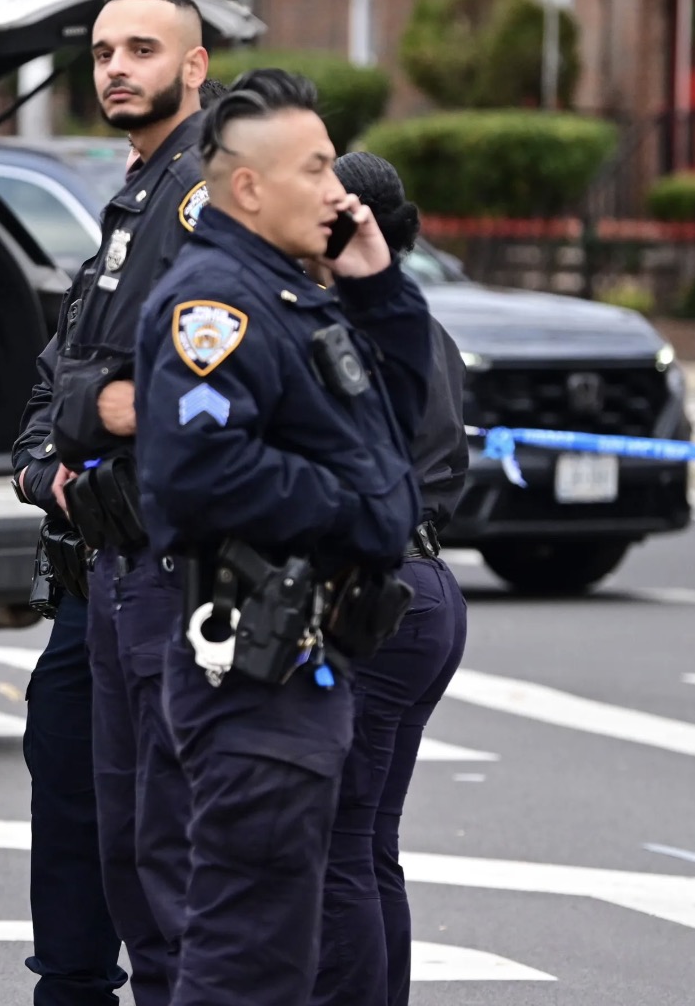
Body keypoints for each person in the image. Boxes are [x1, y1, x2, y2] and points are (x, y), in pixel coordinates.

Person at [133, 69, 431, 1006]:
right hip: (255, 669)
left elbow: (398, 425)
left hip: (308, 666)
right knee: (247, 955)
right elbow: (199, 468)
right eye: (314, 168)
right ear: (250, 187)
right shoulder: (215, 306)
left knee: (279, 946)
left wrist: (378, 287)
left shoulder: (294, 294)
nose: (338, 190)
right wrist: (358, 507)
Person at [11, 0, 211, 1006]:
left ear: (195, 65)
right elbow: (62, 373)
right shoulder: (132, 201)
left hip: (169, 568)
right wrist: (43, 460)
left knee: (155, 817)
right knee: (70, 774)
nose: (117, 68)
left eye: (142, 48)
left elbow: (188, 382)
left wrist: (93, 413)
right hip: (94, 561)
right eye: (102, 52)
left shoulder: (206, 193)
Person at [311, 152, 470, 1006]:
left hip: (382, 594)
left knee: (340, 839)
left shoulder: (352, 330)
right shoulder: (421, 328)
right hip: (428, 587)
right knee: (369, 839)